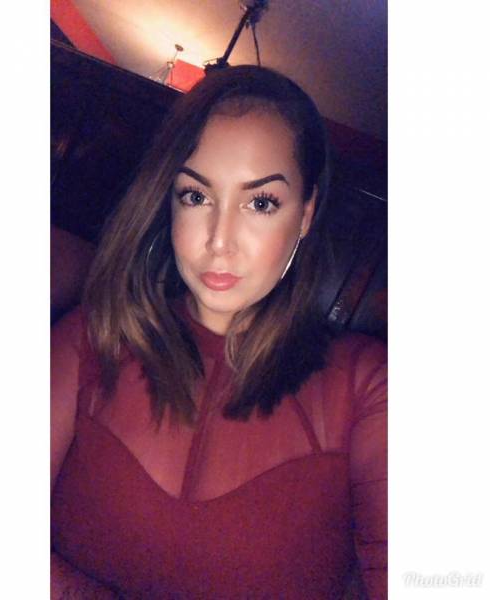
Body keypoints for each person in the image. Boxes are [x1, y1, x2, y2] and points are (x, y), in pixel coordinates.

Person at [51, 65, 387, 599]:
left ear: (305, 214)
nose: (220, 240)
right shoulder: (93, 337)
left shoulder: (367, 386)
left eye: (261, 202)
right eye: (196, 196)